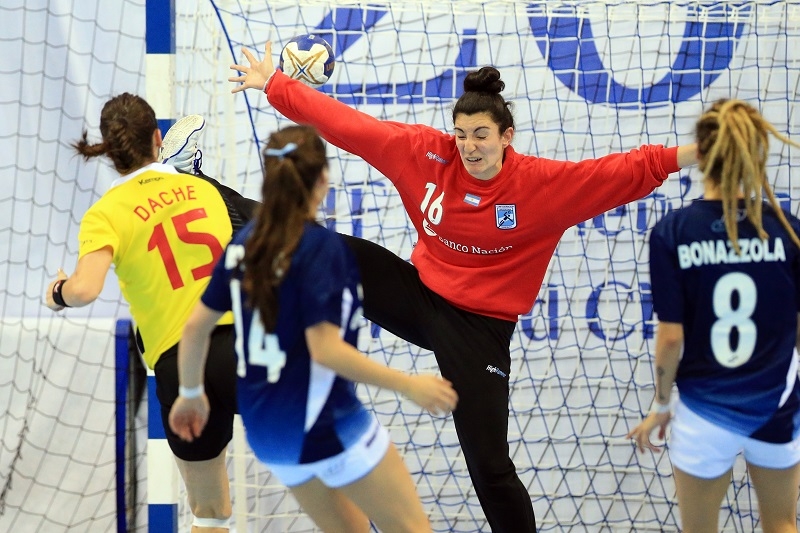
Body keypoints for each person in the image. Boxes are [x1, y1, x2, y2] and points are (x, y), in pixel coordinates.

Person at [227, 42, 699, 533]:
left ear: (506, 137)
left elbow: (631, 169)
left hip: (480, 329)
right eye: (461, 135)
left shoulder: (542, 187)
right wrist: (276, 85)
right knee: (303, 239)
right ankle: (202, 184)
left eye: (481, 136)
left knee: (490, 468)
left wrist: (701, 151)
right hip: (419, 295)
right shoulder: (424, 154)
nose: (469, 147)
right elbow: (349, 127)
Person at [168, 124, 459, 533]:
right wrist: (408, 384)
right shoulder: (322, 250)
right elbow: (325, 350)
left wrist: (192, 394)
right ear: (323, 180)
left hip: (270, 435)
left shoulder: (244, 243)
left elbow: (196, 327)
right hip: (327, 424)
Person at [44, 97, 256, 532]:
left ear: (108, 149)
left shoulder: (105, 213)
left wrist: (57, 294)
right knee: (326, 465)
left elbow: (85, 289)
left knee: (210, 514)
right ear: (159, 139)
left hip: (179, 367)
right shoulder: (203, 189)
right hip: (240, 346)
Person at [626, 99, 800, 533]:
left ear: (700, 155)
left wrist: (661, 405)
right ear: (756, 152)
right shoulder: (787, 228)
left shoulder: (674, 231)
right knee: (781, 523)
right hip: (778, 403)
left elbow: (670, 338)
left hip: (703, 413)